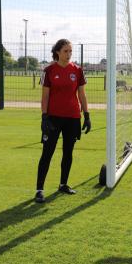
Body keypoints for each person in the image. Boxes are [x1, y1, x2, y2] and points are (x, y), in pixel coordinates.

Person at [35, 39, 91, 203]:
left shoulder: (78, 70)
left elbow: (82, 94)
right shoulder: (49, 70)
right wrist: (44, 116)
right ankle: (39, 190)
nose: (68, 54)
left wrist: (86, 115)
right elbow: (45, 96)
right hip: (53, 118)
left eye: (70, 51)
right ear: (57, 52)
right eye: (65, 51)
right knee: (47, 153)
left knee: (68, 152)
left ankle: (63, 184)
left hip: (73, 118)